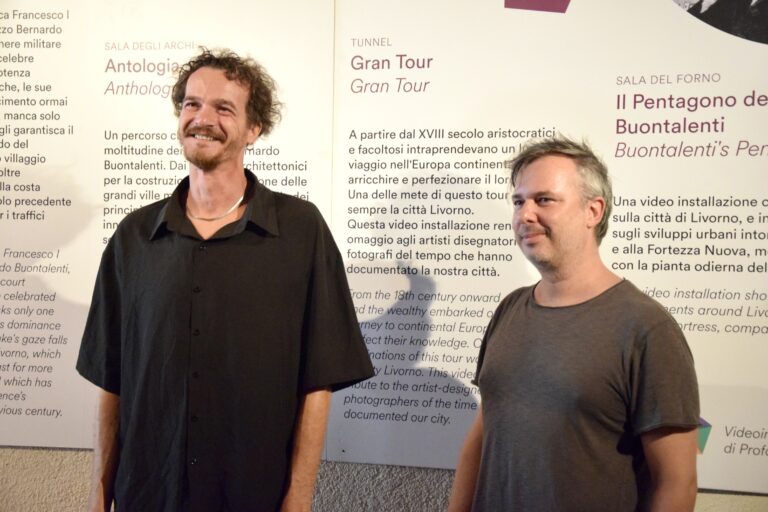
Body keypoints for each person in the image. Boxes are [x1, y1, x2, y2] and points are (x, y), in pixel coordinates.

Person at [77, 48, 374, 512]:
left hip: (252, 495)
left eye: (224, 108)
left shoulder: (300, 231)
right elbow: (110, 378)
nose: (203, 119)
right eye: (192, 104)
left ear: (254, 128)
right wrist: (99, 494)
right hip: (151, 494)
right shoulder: (134, 237)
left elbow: (319, 381)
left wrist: (299, 498)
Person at [448, 137, 700, 511]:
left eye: (544, 200)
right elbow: (484, 432)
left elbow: (676, 482)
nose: (525, 215)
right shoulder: (510, 310)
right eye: (518, 201)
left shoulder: (647, 329)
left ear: (592, 211)